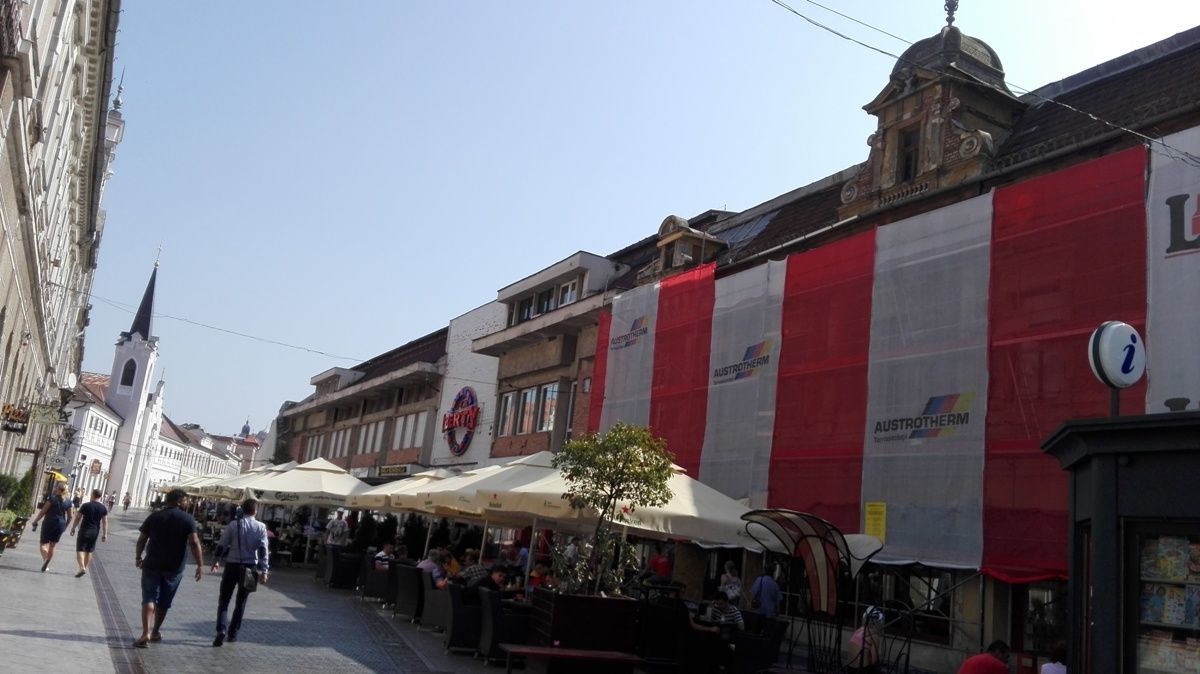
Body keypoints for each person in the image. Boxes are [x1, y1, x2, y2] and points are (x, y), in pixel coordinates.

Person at [134, 488, 204, 648]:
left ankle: (145, 632)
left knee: (149, 597)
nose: (187, 503)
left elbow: (142, 539)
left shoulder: (155, 516)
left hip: (152, 563)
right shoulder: (187, 519)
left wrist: (138, 557)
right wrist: (200, 565)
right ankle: (155, 631)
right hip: (174, 567)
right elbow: (194, 542)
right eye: (186, 500)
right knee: (164, 601)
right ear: (179, 501)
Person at [210, 498, 269, 647]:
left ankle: (221, 629)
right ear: (255, 511)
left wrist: (216, 560)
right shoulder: (261, 527)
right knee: (241, 602)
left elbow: (222, 544)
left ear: (242, 509)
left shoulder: (233, 525)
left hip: (232, 565)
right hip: (250, 567)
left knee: (224, 600)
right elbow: (263, 550)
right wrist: (264, 570)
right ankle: (233, 633)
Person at [30, 482, 73, 572]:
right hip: (60, 524)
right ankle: (47, 562)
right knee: (52, 546)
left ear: (58, 489)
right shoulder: (68, 501)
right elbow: (70, 517)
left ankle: (46, 559)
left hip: (49, 522)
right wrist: (65, 526)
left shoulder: (52, 498)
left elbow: (43, 511)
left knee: (43, 544)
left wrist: (35, 521)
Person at [70, 488, 109, 577]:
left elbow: (78, 517)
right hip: (95, 531)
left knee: (80, 549)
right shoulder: (103, 508)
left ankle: (82, 567)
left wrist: (73, 528)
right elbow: (105, 522)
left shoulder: (86, 505)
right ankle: (84, 567)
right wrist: (105, 534)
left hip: (84, 530)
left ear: (93, 495)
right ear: (100, 496)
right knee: (89, 550)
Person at [847, 606, 885, 674]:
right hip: (862, 670)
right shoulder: (874, 636)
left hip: (850, 669)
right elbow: (874, 661)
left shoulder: (858, 630)